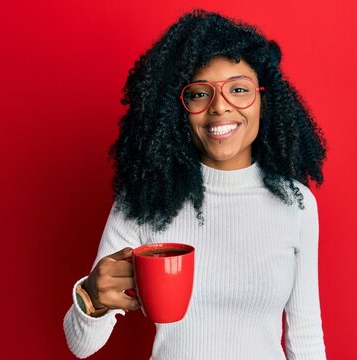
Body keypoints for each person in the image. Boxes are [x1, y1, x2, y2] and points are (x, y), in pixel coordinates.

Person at [63, 9, 327, 360]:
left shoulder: (297, 204)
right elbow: (81, 346)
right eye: (200, 93)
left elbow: (306, 336)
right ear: (178, 109)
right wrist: (92, 297)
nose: (220, 107)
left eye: (239, 89)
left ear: (265, 100)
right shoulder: (145, 199)